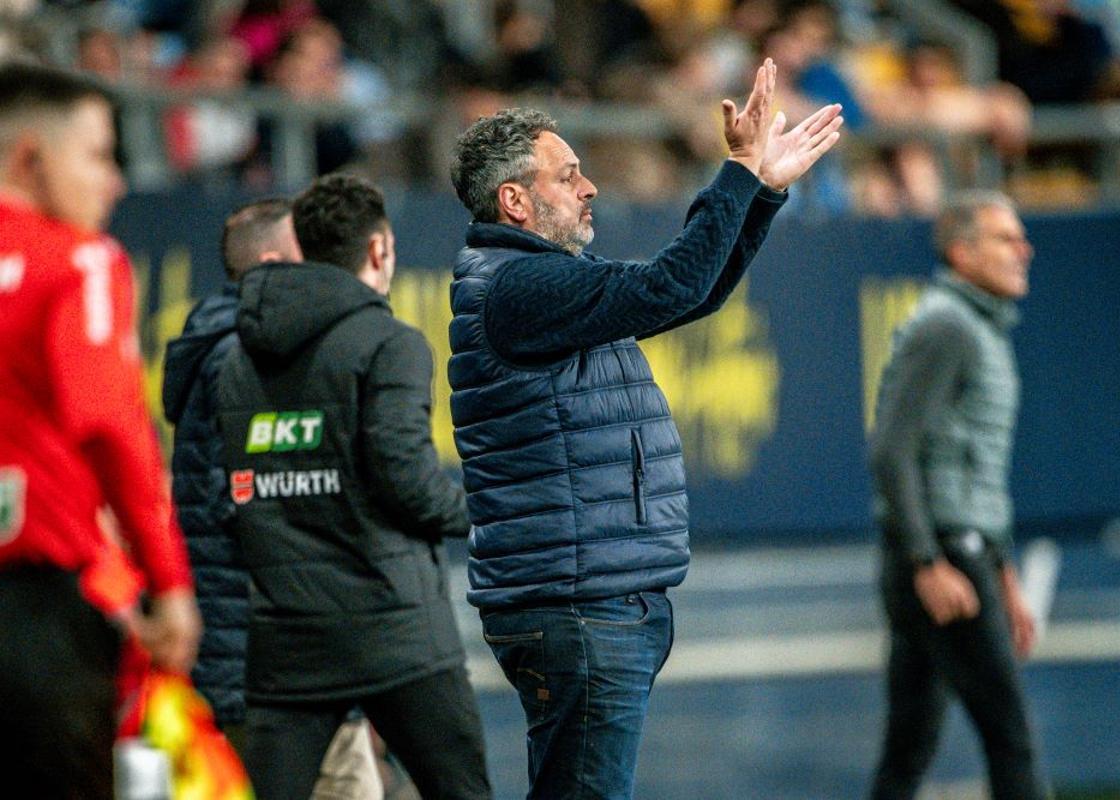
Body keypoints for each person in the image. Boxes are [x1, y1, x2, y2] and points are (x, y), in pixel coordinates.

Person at [447, 59, 842, 799]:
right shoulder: (521, 287)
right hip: (578, 605)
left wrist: (761, 193)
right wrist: (737, 171)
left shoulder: (534, 282)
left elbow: (685, 298)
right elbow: (672, 284)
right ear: (515, 202)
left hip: (589, 600)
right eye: (567, 175)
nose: (589, 186)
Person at [216, 173, 491, 800]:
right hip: (396, 632)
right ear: (379, 250)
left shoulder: (238, 360)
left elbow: (232, 493)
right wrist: (479, 514)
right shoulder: (390, 344)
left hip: (288, 639)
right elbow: (409, 482)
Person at [0, 61, 200, 797]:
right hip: (38, 615)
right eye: (99, 155)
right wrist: (170, 584)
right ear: (30, 156)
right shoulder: (79, 263)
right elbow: (115, 429)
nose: (114, 182)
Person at [867, 190, 1049, 800]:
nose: (1023, 249)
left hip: (956, 554)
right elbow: (892, 449)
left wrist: (1004, 575)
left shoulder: (976, 325)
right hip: (944, 560)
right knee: (1012, 739)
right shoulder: (947, 325)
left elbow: (972, 474)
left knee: (909, 748)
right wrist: (928, 562)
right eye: (1005, 237)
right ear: (961, 251)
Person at [163, 197, 299, 746]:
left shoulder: (235, 345)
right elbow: (240, 498)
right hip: (243, 643)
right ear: (270, 266)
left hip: (243, 636)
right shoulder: (238, 356)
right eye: (304, 252)